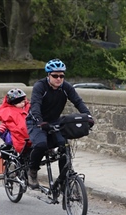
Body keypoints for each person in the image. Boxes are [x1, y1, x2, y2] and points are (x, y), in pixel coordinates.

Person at [26, 58, 94, 189]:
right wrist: (40, 122)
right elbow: (35, 106)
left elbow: (78, 102)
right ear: (48, 75)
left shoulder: (66, 87)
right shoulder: (40, 86)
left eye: (61, 75)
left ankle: (64, 179)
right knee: (41, 145)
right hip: (36, 121)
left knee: (64, 145)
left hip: (55, 121)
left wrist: (88, 116)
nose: (59, 78)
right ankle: (32, 171)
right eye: (55, 75)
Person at [0, 88, 31, 153]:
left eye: (23, 102)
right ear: (13, 104)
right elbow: (5, 123)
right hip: (19, 137)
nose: (22, 104)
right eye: (19, 103)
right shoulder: (10, 112)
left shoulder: (28, 108)